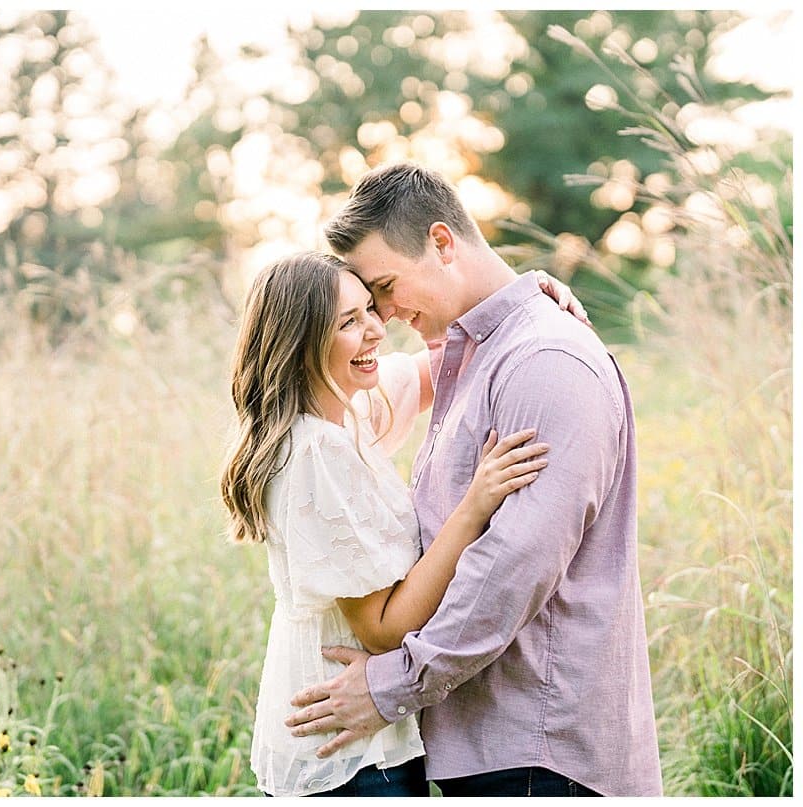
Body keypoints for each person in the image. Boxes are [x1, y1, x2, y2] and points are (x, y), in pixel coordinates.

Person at [283, 162, 662, 796]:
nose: (382, 315)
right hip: (490, 745)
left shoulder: (545, 362)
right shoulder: (472, 354)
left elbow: (513, 567)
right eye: (365, 305)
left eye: (384, 287)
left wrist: (393, 685)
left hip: (539, 751)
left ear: (440, 242)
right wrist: (523, 289)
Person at [220, 251, 581, 797]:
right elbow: (383, 629)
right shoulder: (316, 454)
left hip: (365, 737)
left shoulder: (345, 408)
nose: (374, 331)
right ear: (300, 342)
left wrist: (523, 299)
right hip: (344, 747)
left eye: (370, 309)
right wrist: (474, 506)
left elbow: (433, 368)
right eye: (348, 322)